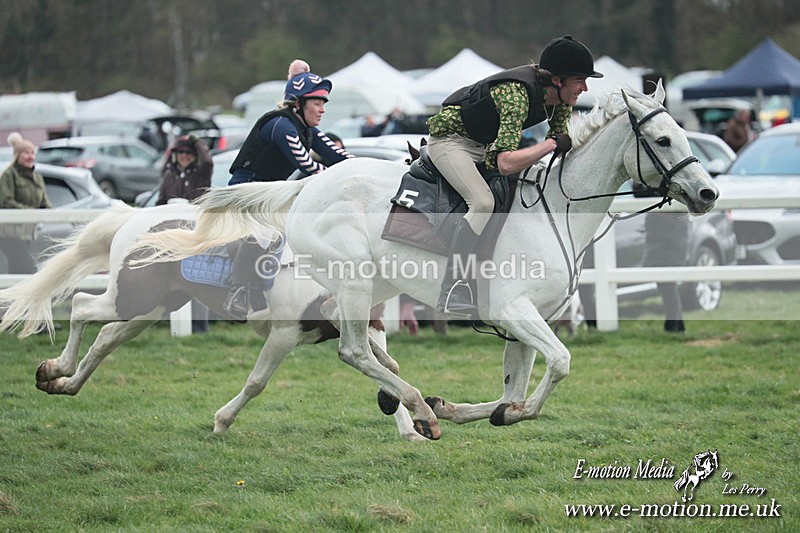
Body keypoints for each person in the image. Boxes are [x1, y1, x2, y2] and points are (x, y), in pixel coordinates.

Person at [426, 34, 602, 316]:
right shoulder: (515, 94)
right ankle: (454, 285)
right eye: (580, 80)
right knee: (483, 203)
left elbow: (561, 142)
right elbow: (506, 163)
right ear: (558, 80)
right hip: (451, 143)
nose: (585, 87)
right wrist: (550, 144)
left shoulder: (562, 98)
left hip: (482, 147)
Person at [224, 71, 353, 319]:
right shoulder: (281, 125)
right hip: (245, 192)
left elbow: (339, 156)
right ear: (299, 103)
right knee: (265, 233)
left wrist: (370, 168)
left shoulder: (308, 130)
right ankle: (238, 290)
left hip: (269, 195)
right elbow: (307, 165)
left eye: (323, 103)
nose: (322, 109)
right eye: (317, 103)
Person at [157, 135, 214, 332]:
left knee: (198, 279)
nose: (184, 156)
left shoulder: (201, 173)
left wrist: (195, 141)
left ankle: (200, 327)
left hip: (196, 233)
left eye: (188, 153)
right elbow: (160, 202)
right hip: (173, 235)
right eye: (180, 152)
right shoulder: (169, 176)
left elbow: (207, 161)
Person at [0, 132, 52, 274]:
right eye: (26, 153)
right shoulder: (8, 175)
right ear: (17, 156)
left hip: (28, 233)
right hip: (10, 234)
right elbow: (6, 201)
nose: (30, 156)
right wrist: (30, 212)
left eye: (32, 153)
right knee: (28, 269)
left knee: (17, 270)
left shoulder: (37, 178)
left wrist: (51, 214)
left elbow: (45, 204)